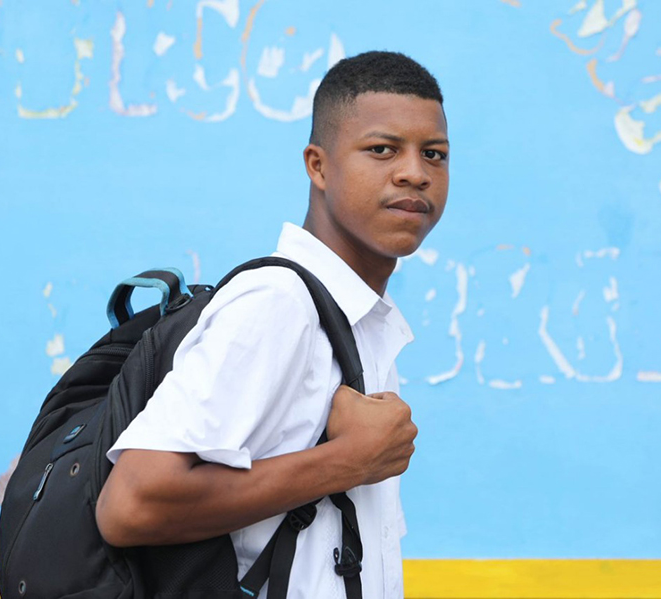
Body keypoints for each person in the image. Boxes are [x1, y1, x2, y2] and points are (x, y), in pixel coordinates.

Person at [95, 50, 449, 598]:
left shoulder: (354, 318)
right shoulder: (280, 304)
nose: (415, 173)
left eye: (434, 154)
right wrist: (349, 461)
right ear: (318, 166)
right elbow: (131, 505)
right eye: (382, 149)